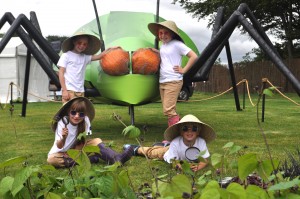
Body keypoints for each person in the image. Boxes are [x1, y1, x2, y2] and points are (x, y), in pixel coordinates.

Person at [47, 97, 134, 168]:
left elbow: (83, 141)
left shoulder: (85, 120)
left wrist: (73, 152)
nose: (76, 116)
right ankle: (89, 160)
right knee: (51, 160)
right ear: (68, 112)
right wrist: (64, 137)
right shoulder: (63, 121)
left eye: (81, 114)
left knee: (96, 141)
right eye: (73, 112)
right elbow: (59, 145)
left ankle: (116, 159)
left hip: (75, 150)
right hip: (59, 152)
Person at [148, 21, 198, 127]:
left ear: (172, 33)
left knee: (168, 109)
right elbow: (166, 57)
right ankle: (178, 129)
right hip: (163, 80)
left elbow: (194, 56)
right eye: (161, 33)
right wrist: (156, 52)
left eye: (166, 33)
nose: (163, 35)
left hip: (173, 80)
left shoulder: (177, 44)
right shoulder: (164, 46)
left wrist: (184, 70)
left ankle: (175, 133)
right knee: (168, 109)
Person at [124, 114, 216, 172]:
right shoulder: (176, 142)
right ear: (180, 132)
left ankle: (162, 144)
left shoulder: (201, 142)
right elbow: (172, 161)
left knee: (164, 147)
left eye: (194, 129)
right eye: (185, 128)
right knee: (153, 152)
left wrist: (199, 166)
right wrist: (178, 165)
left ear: (198, 132)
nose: (189, 132)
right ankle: (135, 149)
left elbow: (205, 160)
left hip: (173, 149)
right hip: (169, 152)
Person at [58, 32, 115, 103]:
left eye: (85, 44)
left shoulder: (84, 57)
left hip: (80, 91)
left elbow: (99, 56)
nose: (82, 45)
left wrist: (111, 49)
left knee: (79, 112)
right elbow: (61, 73)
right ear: (74, 42)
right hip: (69, 90)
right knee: (69, 112)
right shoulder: (66, 56)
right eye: (79, 43)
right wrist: (64, 90)